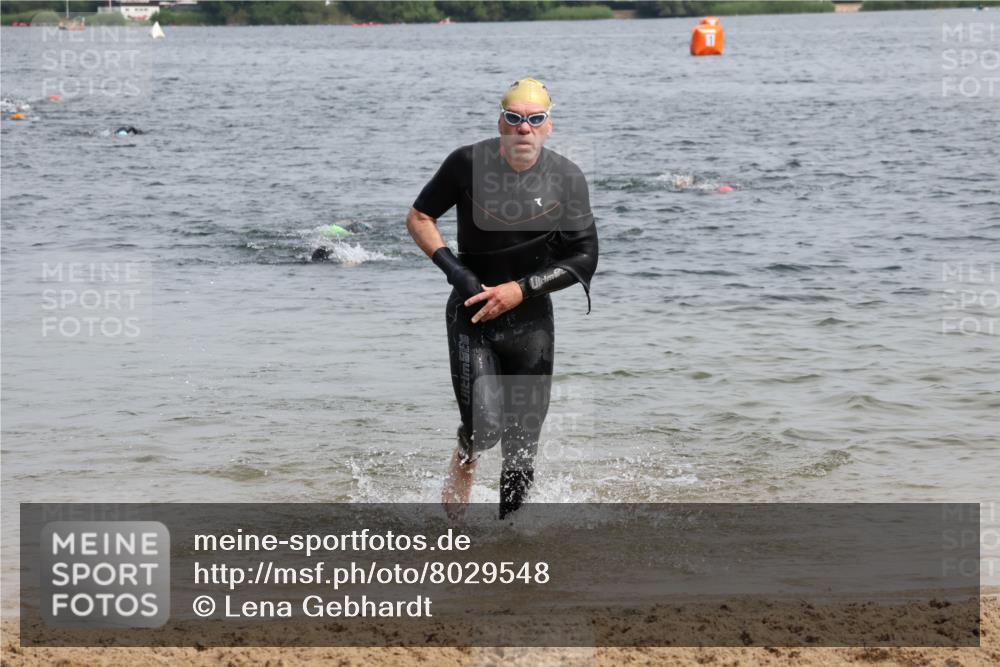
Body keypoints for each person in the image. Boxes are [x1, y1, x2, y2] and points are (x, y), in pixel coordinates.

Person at [405, 78, 599, 519]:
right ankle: (466, 456)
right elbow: (419, 217)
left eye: (535, 120)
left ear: (549, 126)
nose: (523, 129)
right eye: (514, 119)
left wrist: (521, 290)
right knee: (486, 427)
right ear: (500, 123)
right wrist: (457, 273)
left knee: (522, 447)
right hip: (472, 312)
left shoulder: (567, 177)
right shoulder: (466, 163)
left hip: (531, 321)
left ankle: (512, 549)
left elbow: (585, 257)